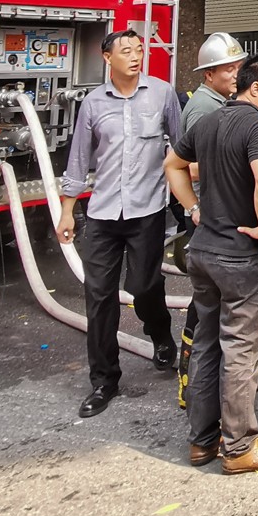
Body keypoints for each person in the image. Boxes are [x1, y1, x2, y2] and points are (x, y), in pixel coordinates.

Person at [164, 52, 258, 474]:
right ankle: (239, 447)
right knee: (241, 348)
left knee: (205, 343)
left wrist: (194, 208)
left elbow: (172, 164)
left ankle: (201, 442)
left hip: (202, 252)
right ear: (255, 87)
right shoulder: (257, 124)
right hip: (239, 258)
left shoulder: (207, 122)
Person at [59, 28, 182, 419]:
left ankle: (160, 334)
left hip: (146, 211)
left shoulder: (163, 94)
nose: (135, 55)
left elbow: (181, 149)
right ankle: (104, 381)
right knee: (98, 297)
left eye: (139, 49)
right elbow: (79, 160)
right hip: (102, 214)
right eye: (126, 50)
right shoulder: (93, 104)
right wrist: (66, 210)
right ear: (106, 57)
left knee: (144, 286)